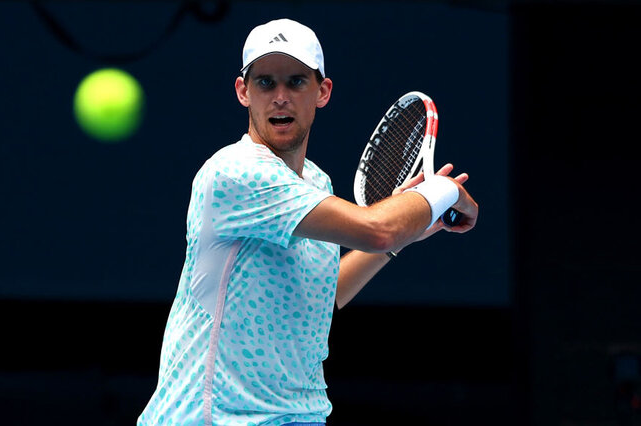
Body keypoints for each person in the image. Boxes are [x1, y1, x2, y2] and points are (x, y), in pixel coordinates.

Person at [137, 18, 478, 426]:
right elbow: (377, 227)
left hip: (298, 415)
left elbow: (321, 294)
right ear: (243, 92)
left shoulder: (316, 182)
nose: (280, 97)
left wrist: (398, 240)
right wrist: (444, 192)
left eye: (296, 82)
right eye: (265, 83)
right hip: (214, 418)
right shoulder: (234, 173)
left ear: (322, 92)